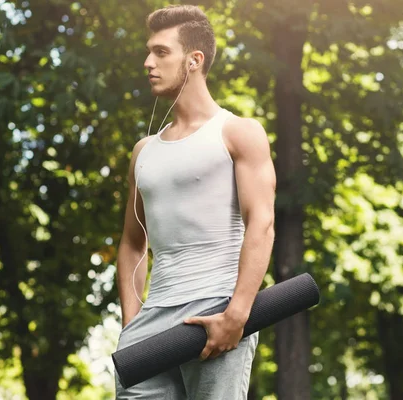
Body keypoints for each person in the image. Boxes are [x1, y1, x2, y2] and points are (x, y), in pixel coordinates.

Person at [114, 4, 276, 399]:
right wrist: (130, 326)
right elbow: (134, 243)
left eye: (161, 52)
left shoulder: (238, 132)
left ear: (194, 60)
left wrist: (237, 314)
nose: (148, 62)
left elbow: (262, 224)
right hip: (151, 320)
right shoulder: (144, 151)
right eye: (149, 51)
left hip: (215, 309)